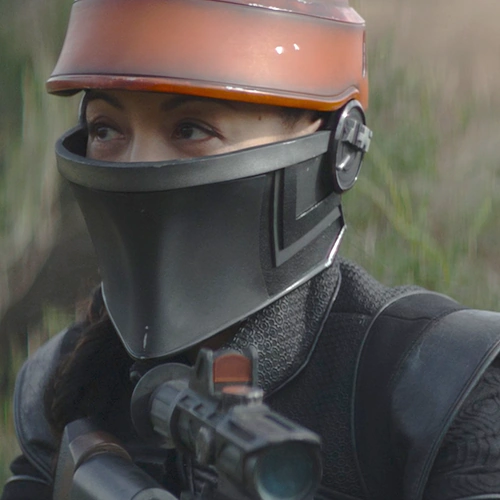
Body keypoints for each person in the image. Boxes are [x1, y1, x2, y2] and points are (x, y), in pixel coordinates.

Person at [3, 1, 500, 499]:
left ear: (339, 148)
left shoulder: (438, 389)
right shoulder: (67, 381)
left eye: (190, 129)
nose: (138, 167)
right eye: (105, 129)